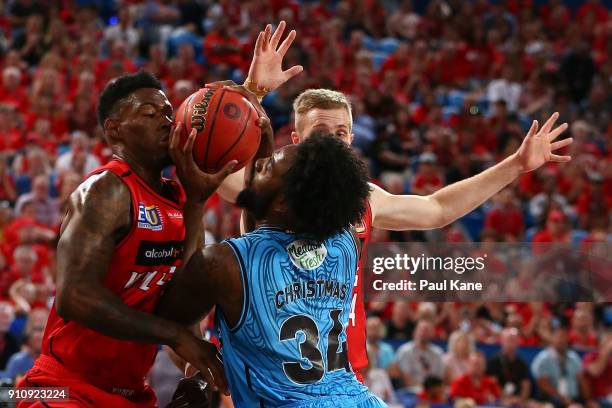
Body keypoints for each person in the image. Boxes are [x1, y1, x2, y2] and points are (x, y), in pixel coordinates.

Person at [220, 43, 572, 379]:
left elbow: (437, 209)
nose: (331, 140)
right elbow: (220, 174)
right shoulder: (269, 191)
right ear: (295, 140)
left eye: (341, 132)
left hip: (343, 375)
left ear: (351, 141)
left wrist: (515, 165)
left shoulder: (364, 199)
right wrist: (252, 92)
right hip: (273, 374)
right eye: (320, 131)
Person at [15, 71, 242, 407]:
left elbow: (182, 303)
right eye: (149, 114)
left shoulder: (178, 200)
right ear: (114, 129)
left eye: (168, 113)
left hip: (131, 392)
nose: (165, 121)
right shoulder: (105, 189)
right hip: (64, 384)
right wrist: (175, 336)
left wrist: (196, 200)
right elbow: (74, 296)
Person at [157, 133, 385, 407]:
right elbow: (269, 230)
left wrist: (194, 201)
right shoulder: (346, 242)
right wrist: (263, 146)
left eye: (268, 166)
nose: (260, 163)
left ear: (282, 203)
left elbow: (171, 314)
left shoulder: (223, 262)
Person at [486, 328, 531, 407]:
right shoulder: (494, 361)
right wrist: (507, 398)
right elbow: (492, 383)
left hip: (518, 400)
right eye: (508, 340)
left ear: (518, 342)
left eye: (513, 340)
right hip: (499, 400)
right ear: (502, 341)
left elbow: (526, 385)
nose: (511, 344)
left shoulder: (522, 363)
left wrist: (521, 399)